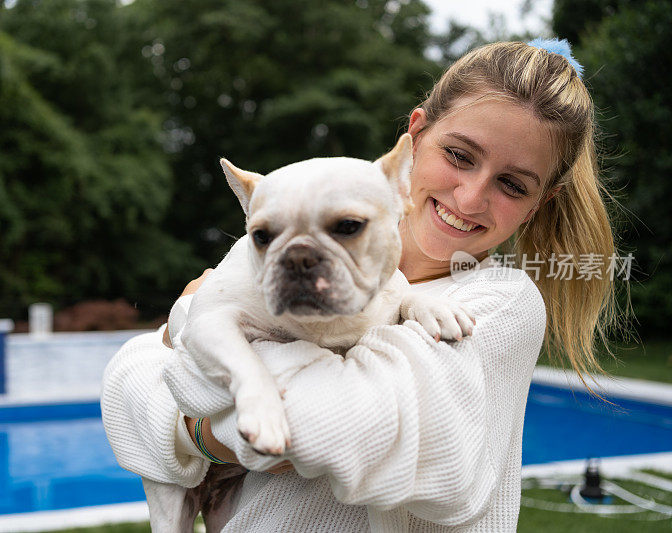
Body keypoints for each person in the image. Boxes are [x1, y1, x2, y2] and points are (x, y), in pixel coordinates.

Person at [101, 40, 620, 531]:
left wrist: (191, 416)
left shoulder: (499, 305)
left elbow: (313, 425)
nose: (469, 197)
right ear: (414, 140)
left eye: (512, 184)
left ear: (541, 201)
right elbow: (122, 379)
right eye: (460, 155)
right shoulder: (315, 233)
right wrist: (196, 363)